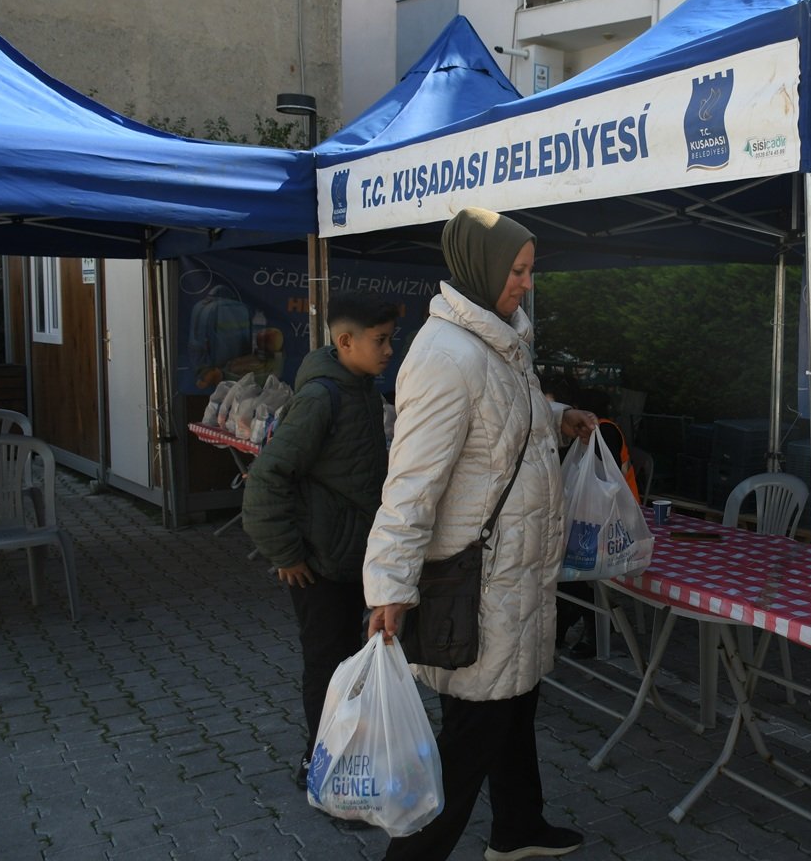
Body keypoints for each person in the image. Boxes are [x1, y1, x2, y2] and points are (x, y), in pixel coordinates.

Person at [364, 207, 597, 861]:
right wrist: (388, 586)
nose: (526, 283)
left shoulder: (498, 342)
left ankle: (519, 829)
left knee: (515, 707)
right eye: (517, 271)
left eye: (529, 270)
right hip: (481, 586)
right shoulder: (444, 356)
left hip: (513, 577)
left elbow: (501, 425)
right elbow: (410, 484)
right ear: (483, 266)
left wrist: (557, 417)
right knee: (470, 740)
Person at [240, 290, 399, 791]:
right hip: (319, 564)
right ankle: (320, 766)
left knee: (351, 665)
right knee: (328, 667)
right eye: (381, 341)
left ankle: (350, 758)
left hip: (352, 558)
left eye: (392, 340)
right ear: (345, 341)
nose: (390, 350)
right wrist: (285, 553)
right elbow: (266, 478)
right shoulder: (320, 397)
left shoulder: (362, 391)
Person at [554, 386, 639, 658]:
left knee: (573, 570)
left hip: (615, 520)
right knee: (567, 569)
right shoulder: (592, 432)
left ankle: (590, 628)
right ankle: (576, 625)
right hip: (595, 517)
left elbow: (603, 479)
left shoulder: (604, 432)